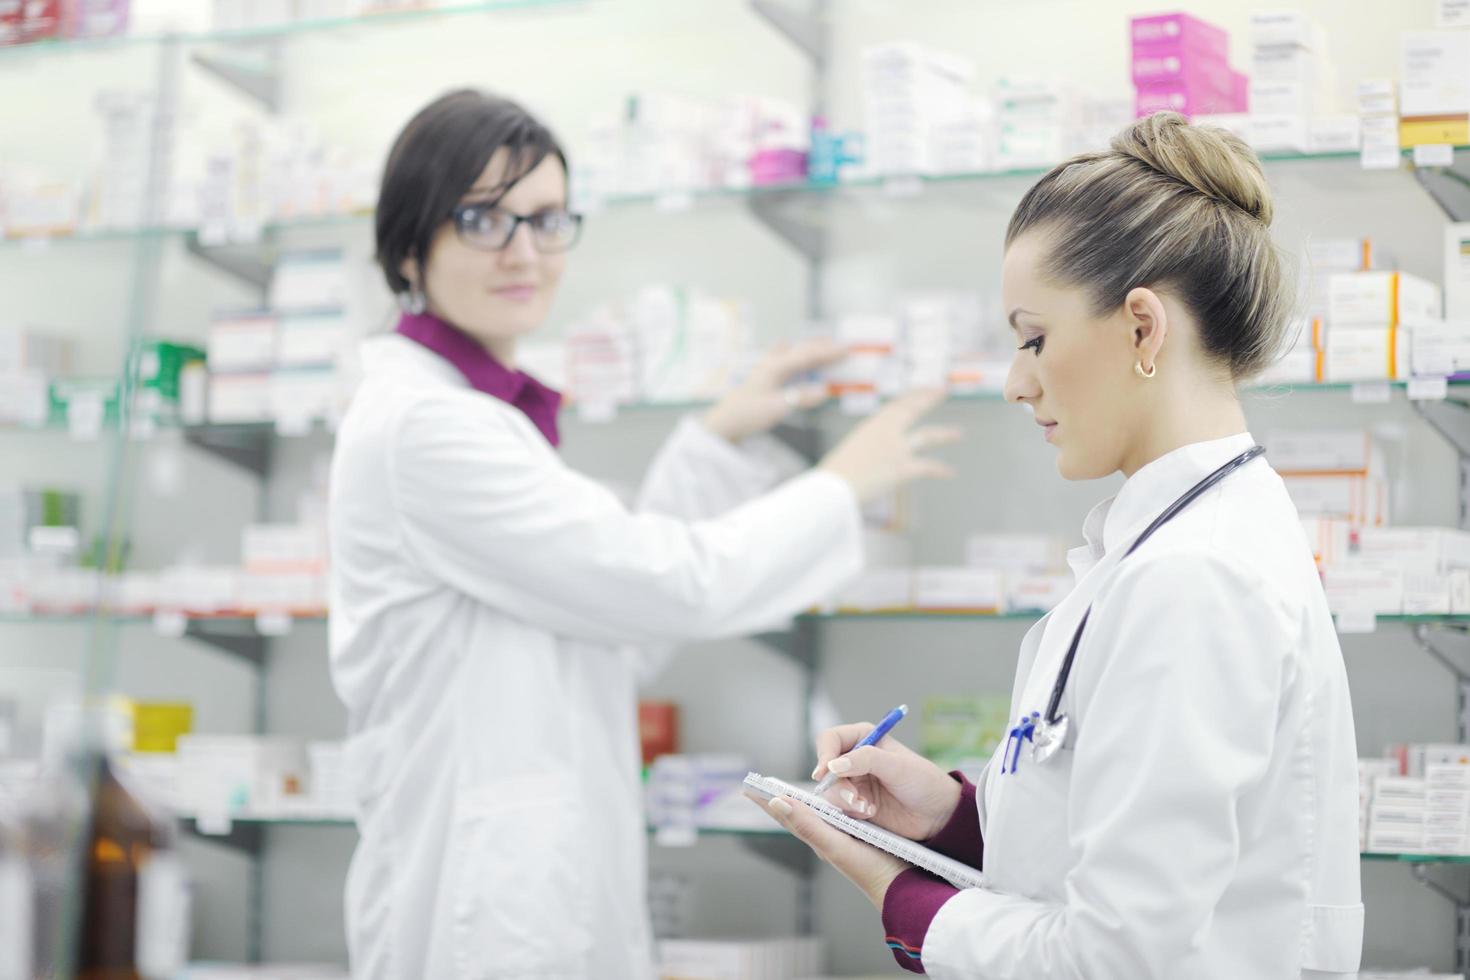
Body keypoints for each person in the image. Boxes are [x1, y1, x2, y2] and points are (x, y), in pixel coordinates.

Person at [327, 89, 960, 979]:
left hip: (531, 874)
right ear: (408, 243)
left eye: (547, 220)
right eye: (483, 219)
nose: (525, 252)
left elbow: (613, 610)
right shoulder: (427, 428)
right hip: (477, 901)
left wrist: (713, 442)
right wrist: (839, 484)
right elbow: (666, 584)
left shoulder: (475, 412)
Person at [751, 112, 1363, 979]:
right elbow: (1114, 841)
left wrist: (899, 894)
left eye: (1034, 338)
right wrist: (951, 820)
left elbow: (1115, 955)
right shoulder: (1169, 540)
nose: (1015, 381)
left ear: (1144, 329)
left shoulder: (1193, 576)